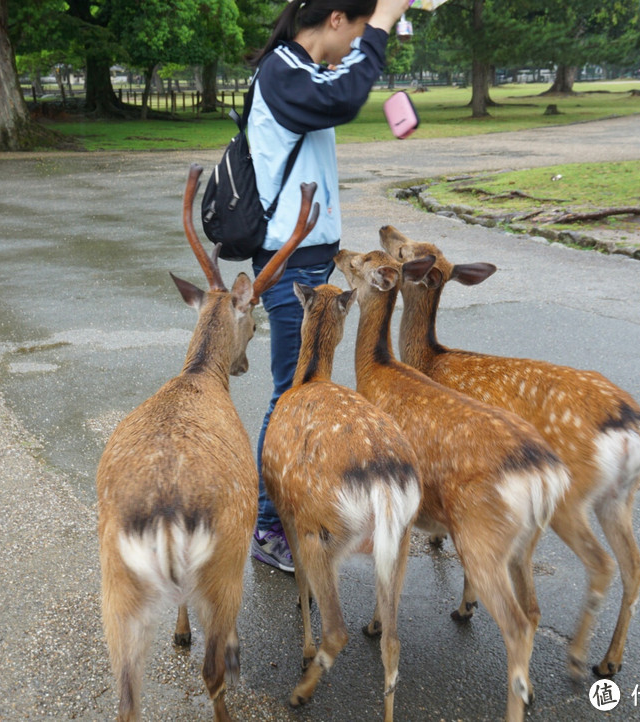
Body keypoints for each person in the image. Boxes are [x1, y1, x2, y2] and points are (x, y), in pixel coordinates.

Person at [247, 0, 412, 571]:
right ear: (337, 18)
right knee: (292, 392)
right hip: (289, 261)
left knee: (307, 387)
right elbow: (343, 95)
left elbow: (343, 89)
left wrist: (382, 37)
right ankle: (270, 525)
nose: (354, 46)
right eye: (359, 32)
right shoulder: (282, 69)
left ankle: (291, 510)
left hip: (307, 257)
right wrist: (385, 23)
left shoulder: (302, 72)